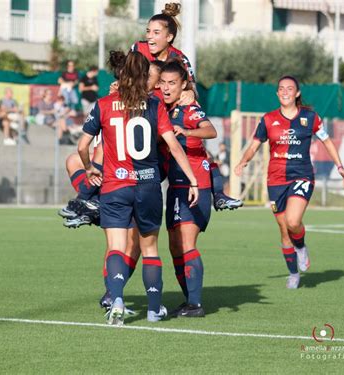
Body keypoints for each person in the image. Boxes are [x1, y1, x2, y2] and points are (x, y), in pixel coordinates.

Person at [78, 51, 199, 325]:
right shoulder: (155, 105)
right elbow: (174, 146)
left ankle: (117, 300)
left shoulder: (104, 104)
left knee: (116, 248)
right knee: (150, 248)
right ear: (146, 77)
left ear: (121, 75)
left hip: (115, 186)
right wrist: (193, 180)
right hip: (148, 186)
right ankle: (155, 310)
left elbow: (82, 146)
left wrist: (89, 168)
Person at [234, 75, 344, 289]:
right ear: (277, 93)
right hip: (275, 179)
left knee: (293, 222)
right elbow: (253, 145)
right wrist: (243, 161)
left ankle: (301, 246)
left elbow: (327, 142)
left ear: (297, 93)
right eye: (281, 89)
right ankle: (293, 273)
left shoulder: (310, 117)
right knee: (284, 229)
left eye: (290, 89)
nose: (285, 92)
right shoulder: (268, 119)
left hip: (302, 175)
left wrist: (340, 166)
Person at [131, 2, 242, 211]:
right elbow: (127, 76)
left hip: (166, 117)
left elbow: (192, 88)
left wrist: (191, 92)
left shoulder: (179, 58)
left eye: (156, 32)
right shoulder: (138, 49)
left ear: (169, 37)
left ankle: (218, 194)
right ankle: (92, 197)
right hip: (142, 115)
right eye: (148, 32)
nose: (150, 37)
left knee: (201, 151)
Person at [157, 59, 217, 317]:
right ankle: (189, 299)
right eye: (163, 83)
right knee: (174, 246)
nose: (167, 88)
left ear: (183, 86)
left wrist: (187, 132)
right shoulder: (163, 109)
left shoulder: (190, 109)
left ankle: (196, 303)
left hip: (196, 185)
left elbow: (211, 130)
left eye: (173, 83)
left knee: (186, 242)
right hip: (175, 187)